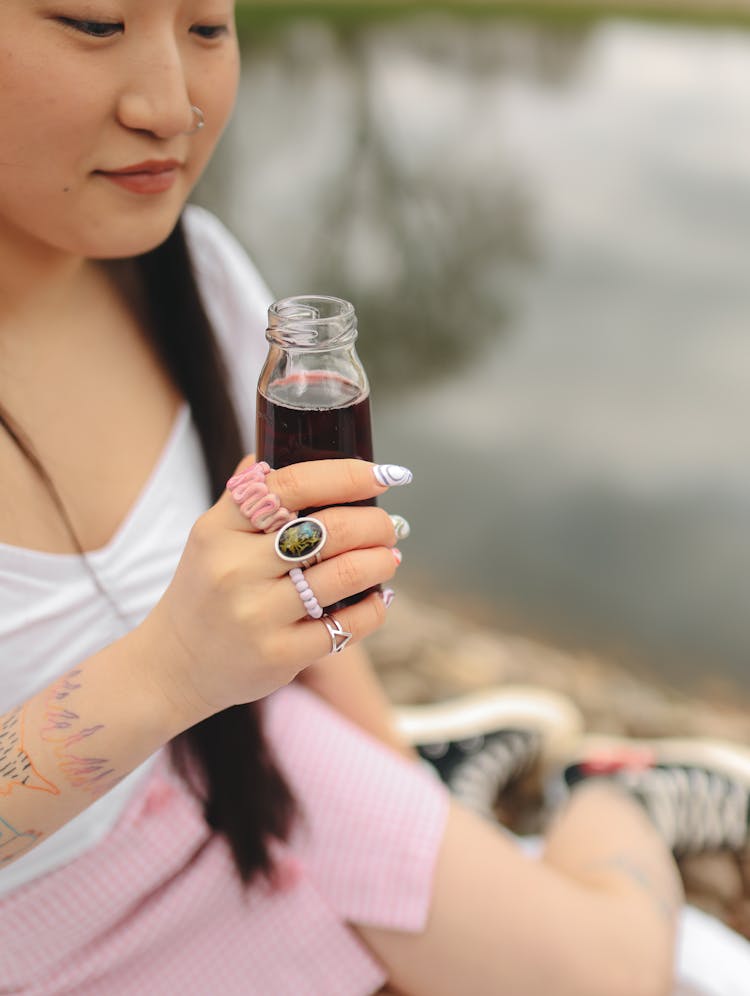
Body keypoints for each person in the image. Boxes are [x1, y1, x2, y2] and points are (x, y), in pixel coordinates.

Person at [0, 3, 747, 994]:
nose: (172, 107)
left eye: (209, 29)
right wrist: (169, 669)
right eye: (95, 23)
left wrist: (405, 797)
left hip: (238, 772)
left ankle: (616, 797)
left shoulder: (202, 280)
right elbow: (192, 652)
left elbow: (288, 583)